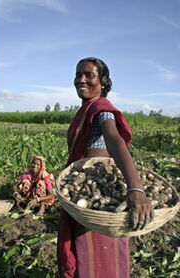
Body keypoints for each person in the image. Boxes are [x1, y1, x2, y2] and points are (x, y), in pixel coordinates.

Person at [57, 57, 153, 278]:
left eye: (89, 75)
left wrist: (135, 188)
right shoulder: (85, 109)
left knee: (100, 250)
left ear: (103, 81)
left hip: (99, 191)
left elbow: (114, 139)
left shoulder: (101, 108)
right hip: (82, 189)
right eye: (78, 74)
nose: (81, 79)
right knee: (84, 247)